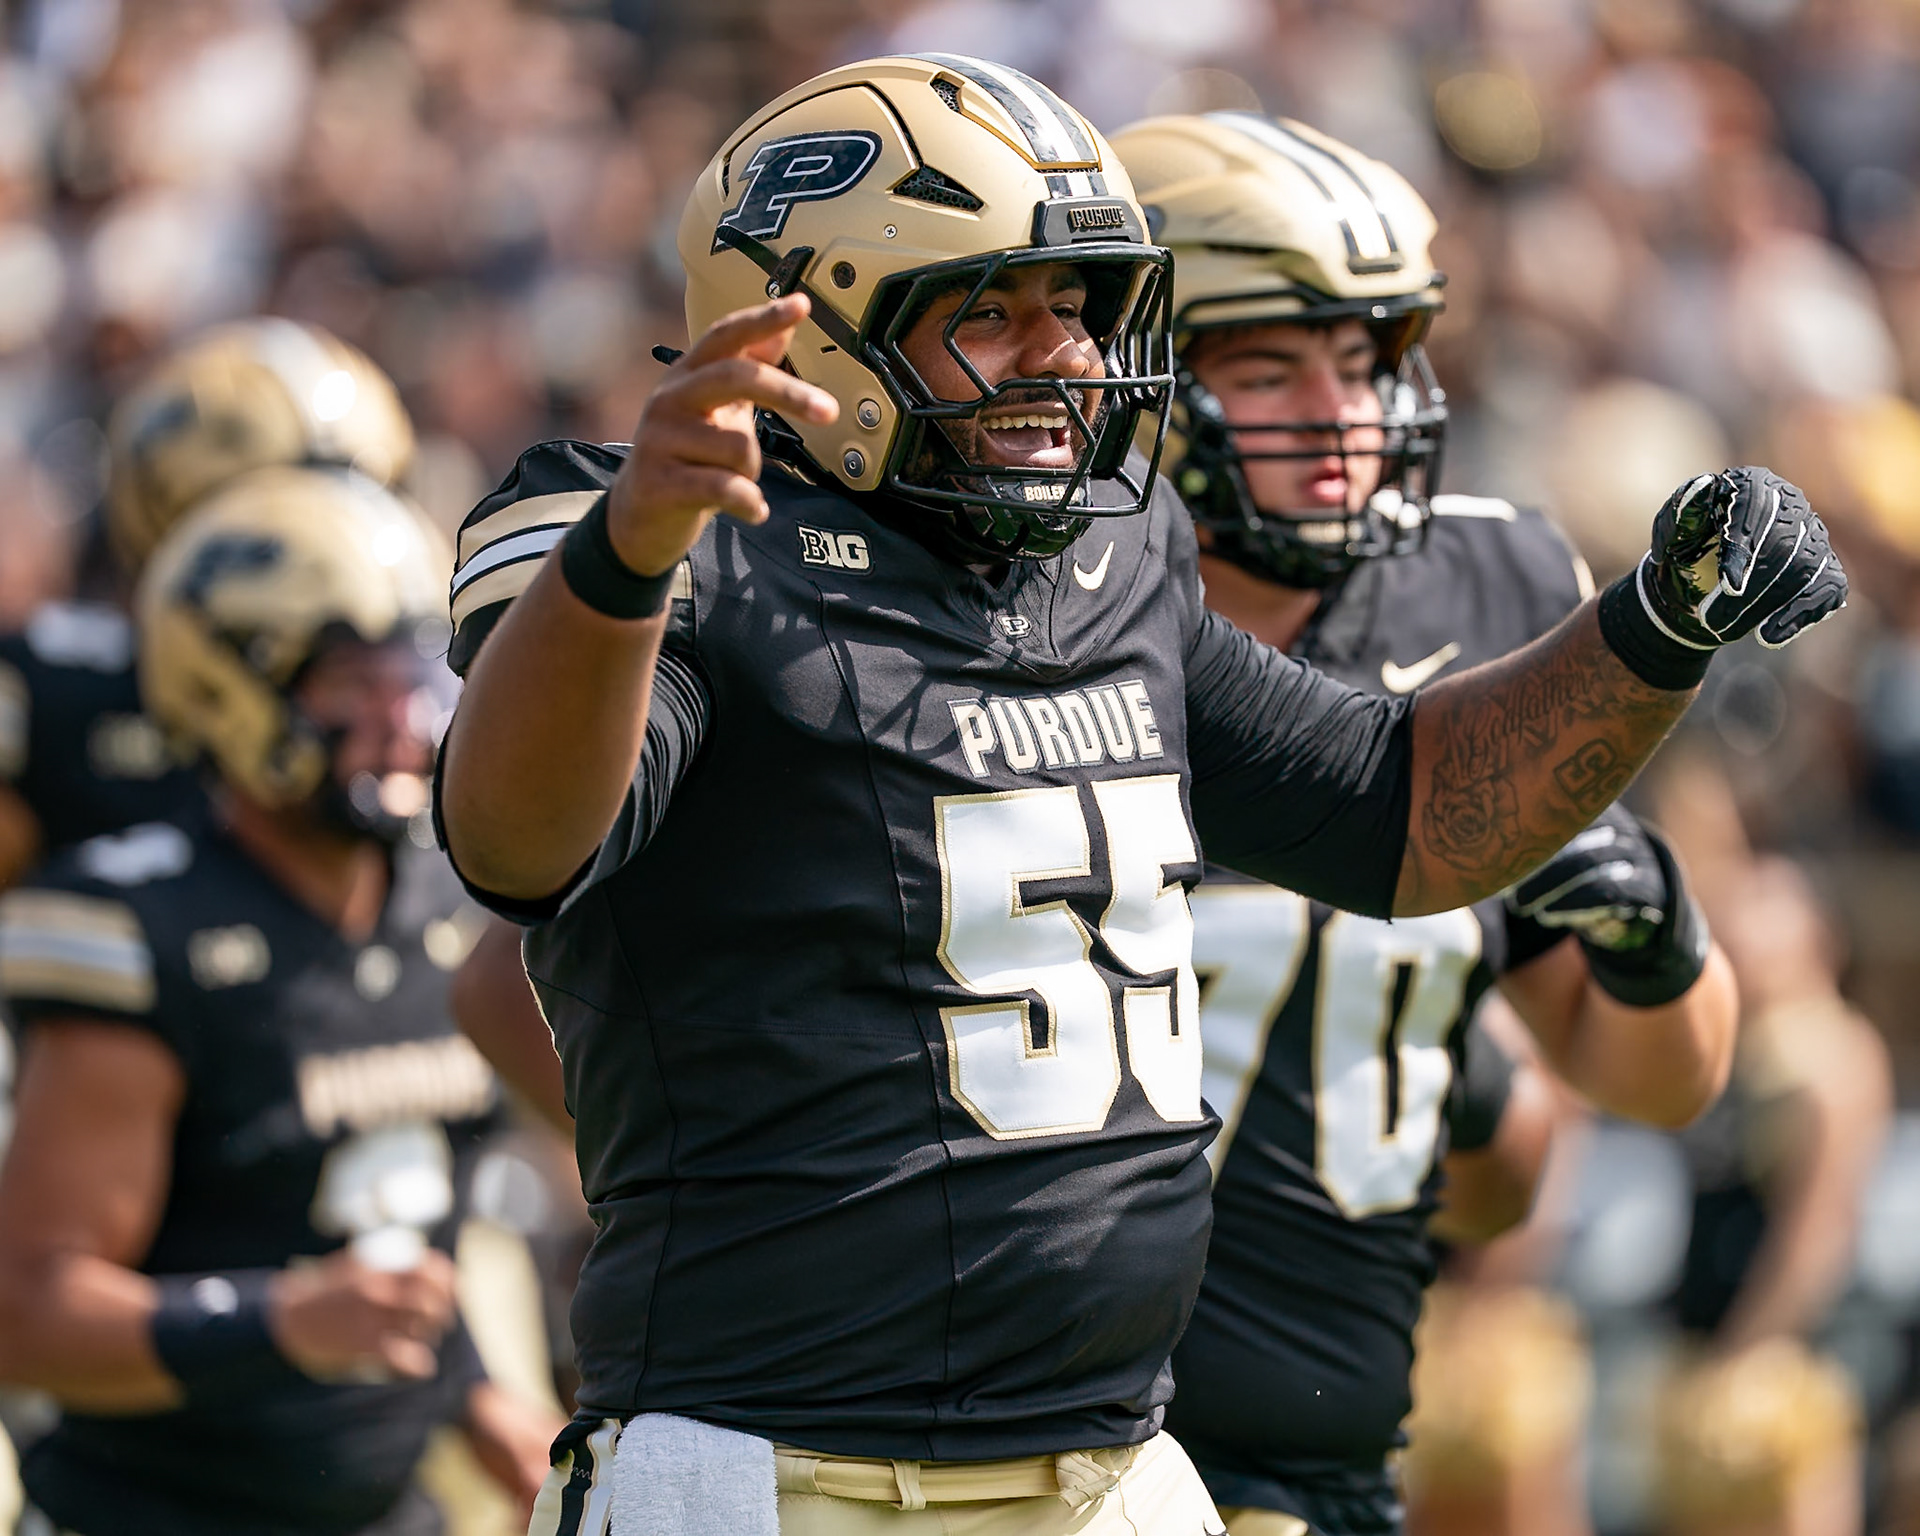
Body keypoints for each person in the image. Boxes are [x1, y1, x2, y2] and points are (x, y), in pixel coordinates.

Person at [434, 54, 1843, 1536]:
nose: (1071, 358)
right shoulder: (641, 535)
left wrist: (1656, 625)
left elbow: (1400, 811)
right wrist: (627, 553)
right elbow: (516, 843)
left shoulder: (1113, 548)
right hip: (769, 1469)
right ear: (818, 323)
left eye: (1085, 307)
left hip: (1114, 1469)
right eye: (994, 308)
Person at [1108, 111, 1742, 1536]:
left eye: (1367, 359)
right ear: (1128, 376)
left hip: (1329, 1456)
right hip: (1027, 1453)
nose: (1342, 417)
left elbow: (1656, 1086)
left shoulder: (1493, 582)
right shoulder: (1022, 618)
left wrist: (1645, 929)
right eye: (1270, 366)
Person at [0, 468, 558, 1536]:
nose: (405, 714)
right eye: (353, 678)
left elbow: (393, 1224)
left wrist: (484, 1405)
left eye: (416, 669)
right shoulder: (142, 927)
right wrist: (282, 1319)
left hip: (384, 1509)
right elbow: (28, 1315)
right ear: (225, 687)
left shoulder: (448, 897)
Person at [0, 318, 417, 890]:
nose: (329, 539)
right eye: (282, 510)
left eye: (350, 500)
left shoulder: (406, 689)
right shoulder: (46, 687)